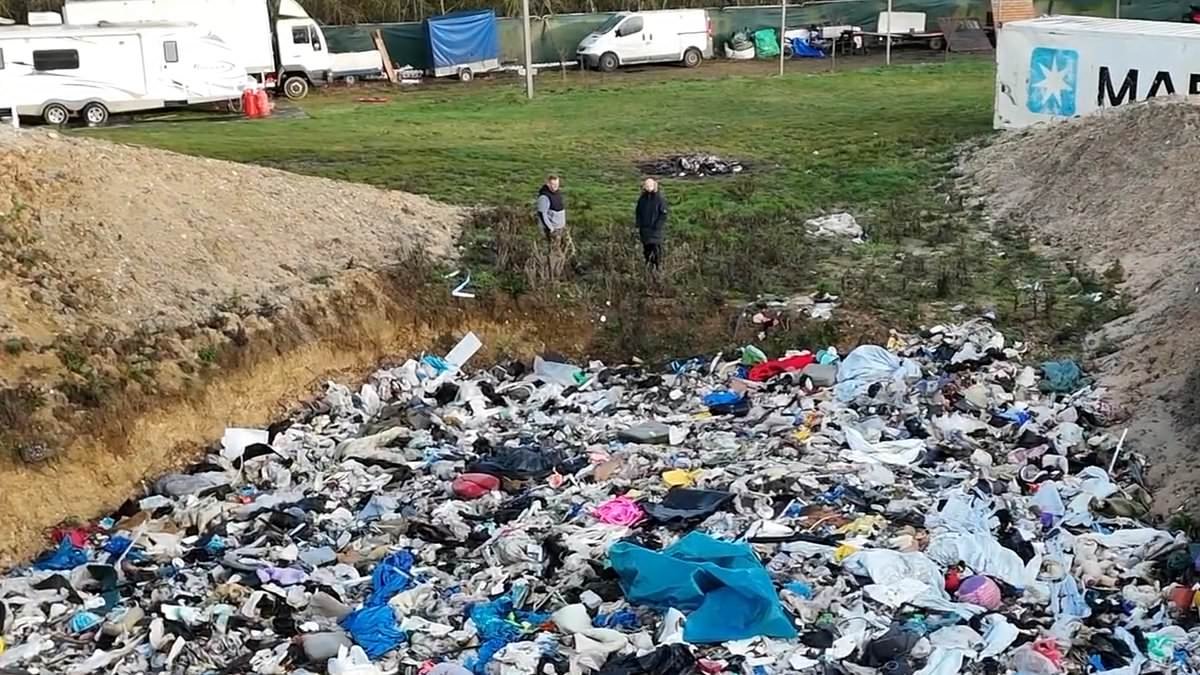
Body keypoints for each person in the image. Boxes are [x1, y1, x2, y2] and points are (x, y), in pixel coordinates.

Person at [635, 178, 668, 270]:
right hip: (645, 230)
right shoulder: (642, 199)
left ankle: (658, 269)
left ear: (654, 186)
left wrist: (657, 226)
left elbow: (663, 214)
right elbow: (638, 212)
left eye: (650, 185)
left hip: (655, 230)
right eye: (647, 185)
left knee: (656, 250)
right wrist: (638, 224)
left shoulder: (659, 199)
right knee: (646, 250)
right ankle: (648, 268)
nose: (648, 187)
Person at [535, 175, 566, 239]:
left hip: (560, 228)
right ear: (548, 184)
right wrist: (551, 229)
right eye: (553, 184)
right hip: (553, 230)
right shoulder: (544, 197)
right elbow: (542, 214)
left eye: (557, 184)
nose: (556, 186)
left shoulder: (557, 193)